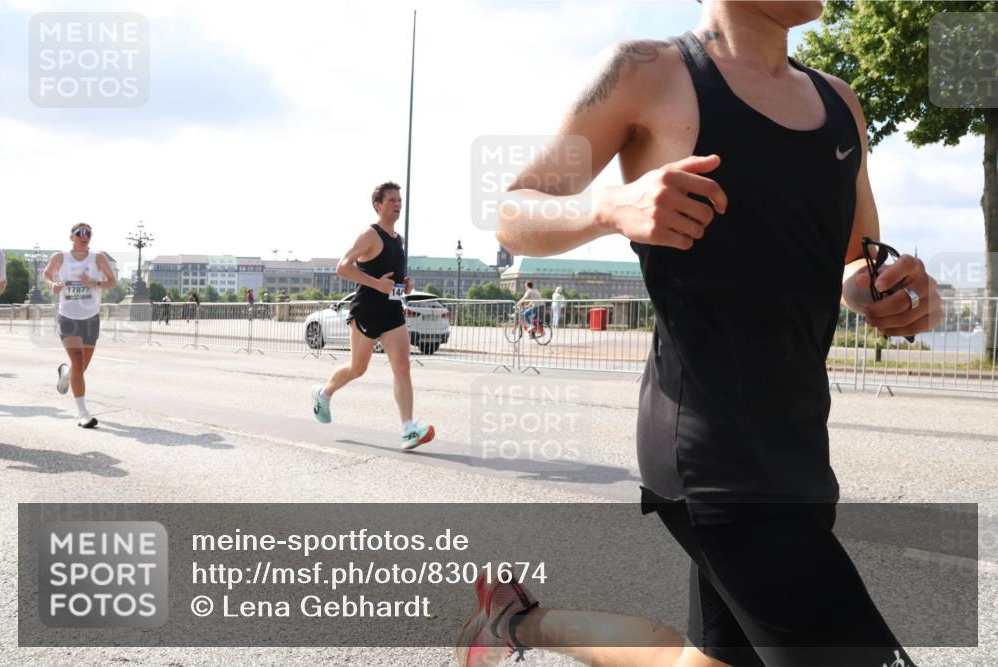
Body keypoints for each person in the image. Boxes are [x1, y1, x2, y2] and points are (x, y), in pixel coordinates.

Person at [460, 2, 944, 666]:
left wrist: (883, 294)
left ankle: (517, 623)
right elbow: (512, 212)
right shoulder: (645, 71)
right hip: (712, 451)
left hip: (800, 440)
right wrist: (609, 206)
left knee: (709, 660)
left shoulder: (841, 103)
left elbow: (853, 257)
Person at [310, 181, 435, 450]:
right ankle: (324, 393)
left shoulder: (398, 239)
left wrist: (404, 285)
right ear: (378, 206)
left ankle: (408, 429)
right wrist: (377, 284)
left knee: (402, 365)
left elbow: (390, 276)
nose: (398, 204)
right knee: (358, 368)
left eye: (399, 200)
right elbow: (342, 267)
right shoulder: (369, 235)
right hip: (367, 310)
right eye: (391, 200)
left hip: (392, 311)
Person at [42, 223, 118, 428]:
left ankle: (66, 374)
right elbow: (47, 274)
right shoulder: (60, 257)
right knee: (77, 358)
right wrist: (52, 285)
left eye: (88, 233)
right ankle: (83, 414)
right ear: (71, 237)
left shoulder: (98, 258)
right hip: (68, 316)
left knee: (80, 368)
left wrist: (94, 283)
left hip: (91, 317)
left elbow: (112, 282)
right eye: (80, 233)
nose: (84, 236)